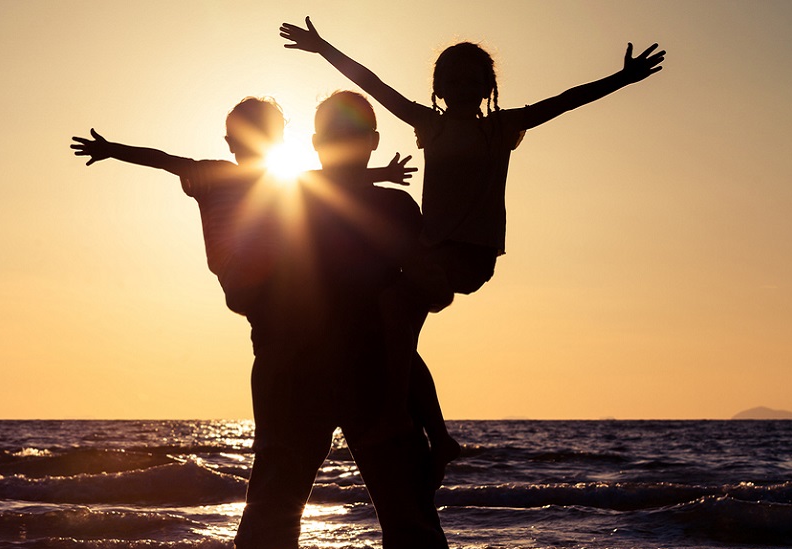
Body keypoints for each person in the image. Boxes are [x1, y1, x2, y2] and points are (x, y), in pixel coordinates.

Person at [280, 17, 665, 473]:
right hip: (428, 252)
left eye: (472, 79)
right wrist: (323, 47)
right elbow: (373, 83)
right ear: (439, 89)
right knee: (393, 329)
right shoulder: (429, 124)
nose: (462, 86)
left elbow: (566, 101)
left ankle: (394, 417)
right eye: (453, 79)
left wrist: (622, 78)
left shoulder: (500, 129)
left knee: (393, 308)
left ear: (487, 88)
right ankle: (438, 438)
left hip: (470, 255)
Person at [199, 91, 471, 549]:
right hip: (305, 372)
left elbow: (432, 290)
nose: (342, 145)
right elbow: (245, 287)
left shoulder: (384, 207)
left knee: (403, 508)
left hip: (357, 374)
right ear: (318, 144)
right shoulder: (293, 198)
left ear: (369, 143)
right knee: (276, 500)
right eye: (332, 135)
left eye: (352, 135)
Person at [70, 98, 458, 453]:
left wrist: (382, 173)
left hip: (269, 281)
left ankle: (294, 418)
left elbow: (335, 180)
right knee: (274, 349)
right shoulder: (212, 174)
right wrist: (111, 150)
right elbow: (162, 158)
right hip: (241, 276)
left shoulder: (284, 181)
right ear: (229, 142)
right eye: (245, 137)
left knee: (278, 341)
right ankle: (271, 429)